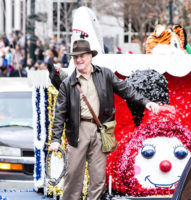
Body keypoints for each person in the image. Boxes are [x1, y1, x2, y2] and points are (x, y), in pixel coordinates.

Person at [49, 40, 159, 200]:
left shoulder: (105, 74)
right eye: (75, 57)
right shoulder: (68, 83)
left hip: (101, 130)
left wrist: (146, 102)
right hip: (78, 130)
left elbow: (126, 90)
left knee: (98, 178)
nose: (79, 60)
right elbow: (60, 113)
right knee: (73, 176)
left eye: (82, 56)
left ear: (90, 56)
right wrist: (55, 139)